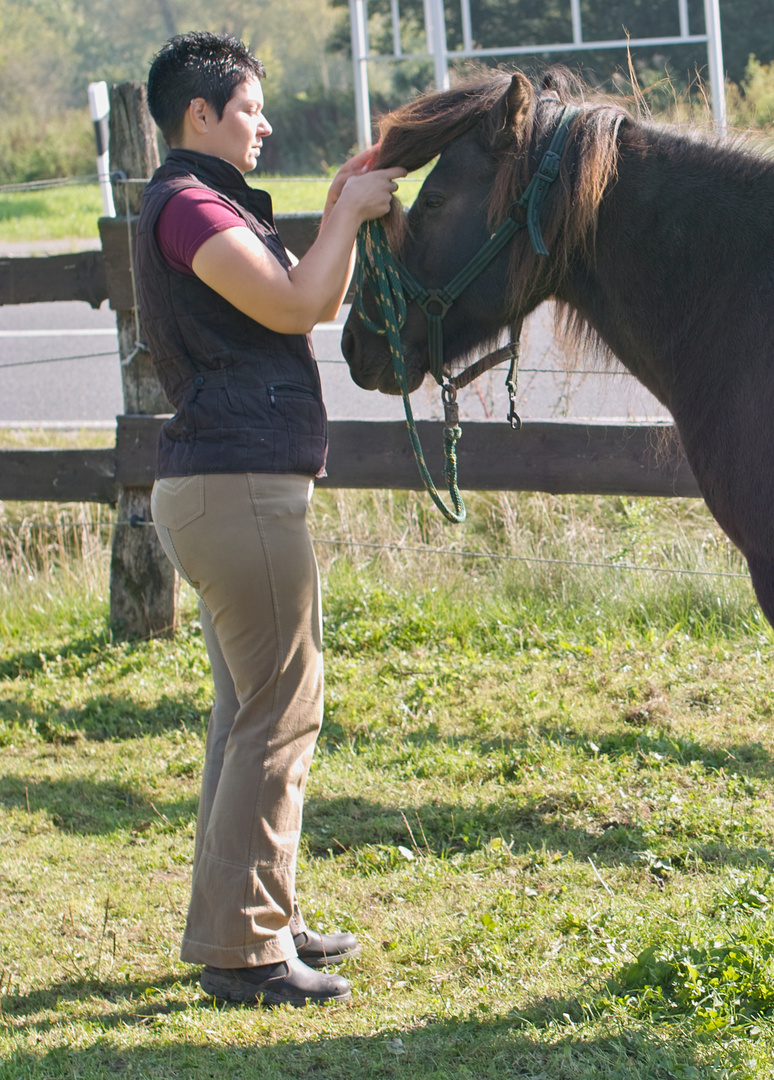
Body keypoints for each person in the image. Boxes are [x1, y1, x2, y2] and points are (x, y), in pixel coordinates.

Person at [136, 31, 404, 1006]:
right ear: (198, 116)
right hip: (237, 484)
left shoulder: (199, 206)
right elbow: (295, 304)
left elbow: (313, 301)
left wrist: (339, 214)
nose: (265, 125)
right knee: (280, 712)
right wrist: (344, 216)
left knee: (248, 715)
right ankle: (245, 950)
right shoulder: (189, 205)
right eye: (250, 108)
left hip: (233, 484)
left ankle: (256, 919)